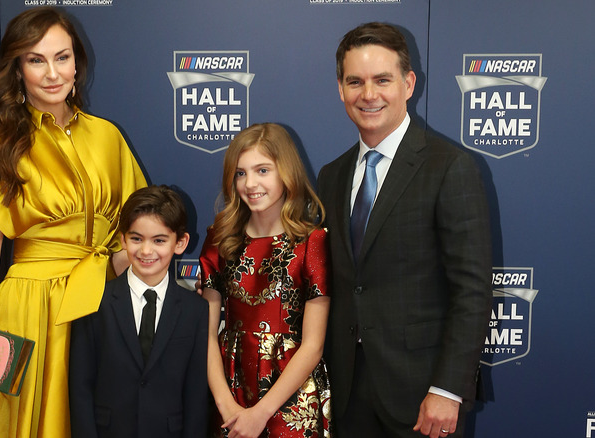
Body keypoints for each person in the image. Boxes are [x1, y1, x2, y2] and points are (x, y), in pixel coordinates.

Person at [0, 7, 146, 437]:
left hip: (102, 305)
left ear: (78, 63)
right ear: (17, 69)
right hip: (28, 313)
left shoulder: (107, 137)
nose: (52, 72)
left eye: (62, 57)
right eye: (36, 60)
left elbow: (138, 234)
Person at [316, 22, 492, 438]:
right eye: (355, 81)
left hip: (422, 395)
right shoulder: (331, 176)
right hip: (345, 393)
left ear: (408, 83)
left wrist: (448, 389)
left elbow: (471, 289)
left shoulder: (450, 167)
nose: (368, 94)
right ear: (340, 89)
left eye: (383, 80)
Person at [200, 123, 331, 438]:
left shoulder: (310, 242)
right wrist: (225, 404)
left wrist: (261, 412)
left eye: (262, 170)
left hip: (292, 395)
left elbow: (313, 345)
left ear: (286, 173)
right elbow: (205, 335)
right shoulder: (221, 239)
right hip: (230, 385)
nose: (250, 183)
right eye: (241, 173)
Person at [69, 185, 209, 437]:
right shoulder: (93, 301)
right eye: (136, 239)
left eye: (159, 240)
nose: (146, 251)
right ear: (122, 239)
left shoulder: (195, 310)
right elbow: (80, 387)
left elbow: (196, 394)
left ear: (180, 242)